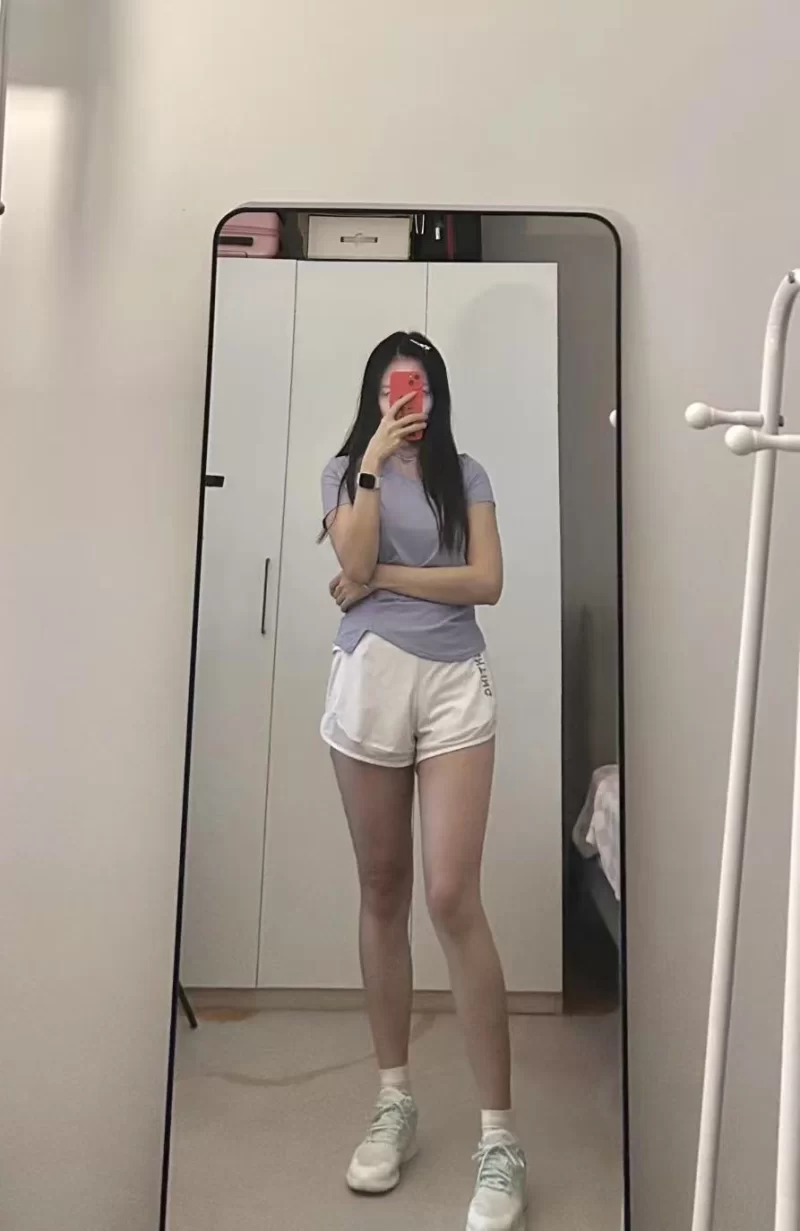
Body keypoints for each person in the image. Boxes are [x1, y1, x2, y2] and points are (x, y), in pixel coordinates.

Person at [319, 330, 527, 1231]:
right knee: (382, 886)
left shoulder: (467, 475)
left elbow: (486, 582)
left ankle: (500, 1137)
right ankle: (394, 1098)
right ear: (374, 394)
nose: (409, 400)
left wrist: (378, 582)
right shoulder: (342, 473)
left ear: (438, 396)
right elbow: (351, 560)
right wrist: (370, 460)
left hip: (451, 683)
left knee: (450, 894)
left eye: (422, 387)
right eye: (393, 387)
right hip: (369, 676)